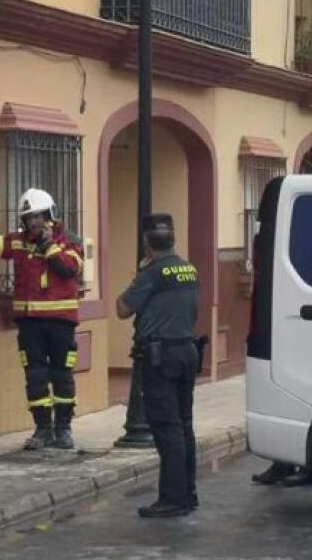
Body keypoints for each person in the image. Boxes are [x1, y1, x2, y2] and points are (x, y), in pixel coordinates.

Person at [0, 189, 84, 451]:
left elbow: (69, 269)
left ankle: (63, 429)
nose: (32, 223)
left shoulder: (69, 241)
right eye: (27, 218)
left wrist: (48, 246)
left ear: (49, 215)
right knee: (35, 377)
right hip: (29, 323)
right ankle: (42, 429)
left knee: (62, 376)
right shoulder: (19, 241)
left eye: (36, 217)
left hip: (61, 322)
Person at [117, 213, 199, 518]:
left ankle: (173, 498)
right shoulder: (189, 269)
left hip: (161, 356)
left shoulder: (151, 273)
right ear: (172, 239)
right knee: (184, 424)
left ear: (147, 243)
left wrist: (139, 275)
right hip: (187, 351)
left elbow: (122, 308)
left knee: (166, 427)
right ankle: (188, 492)